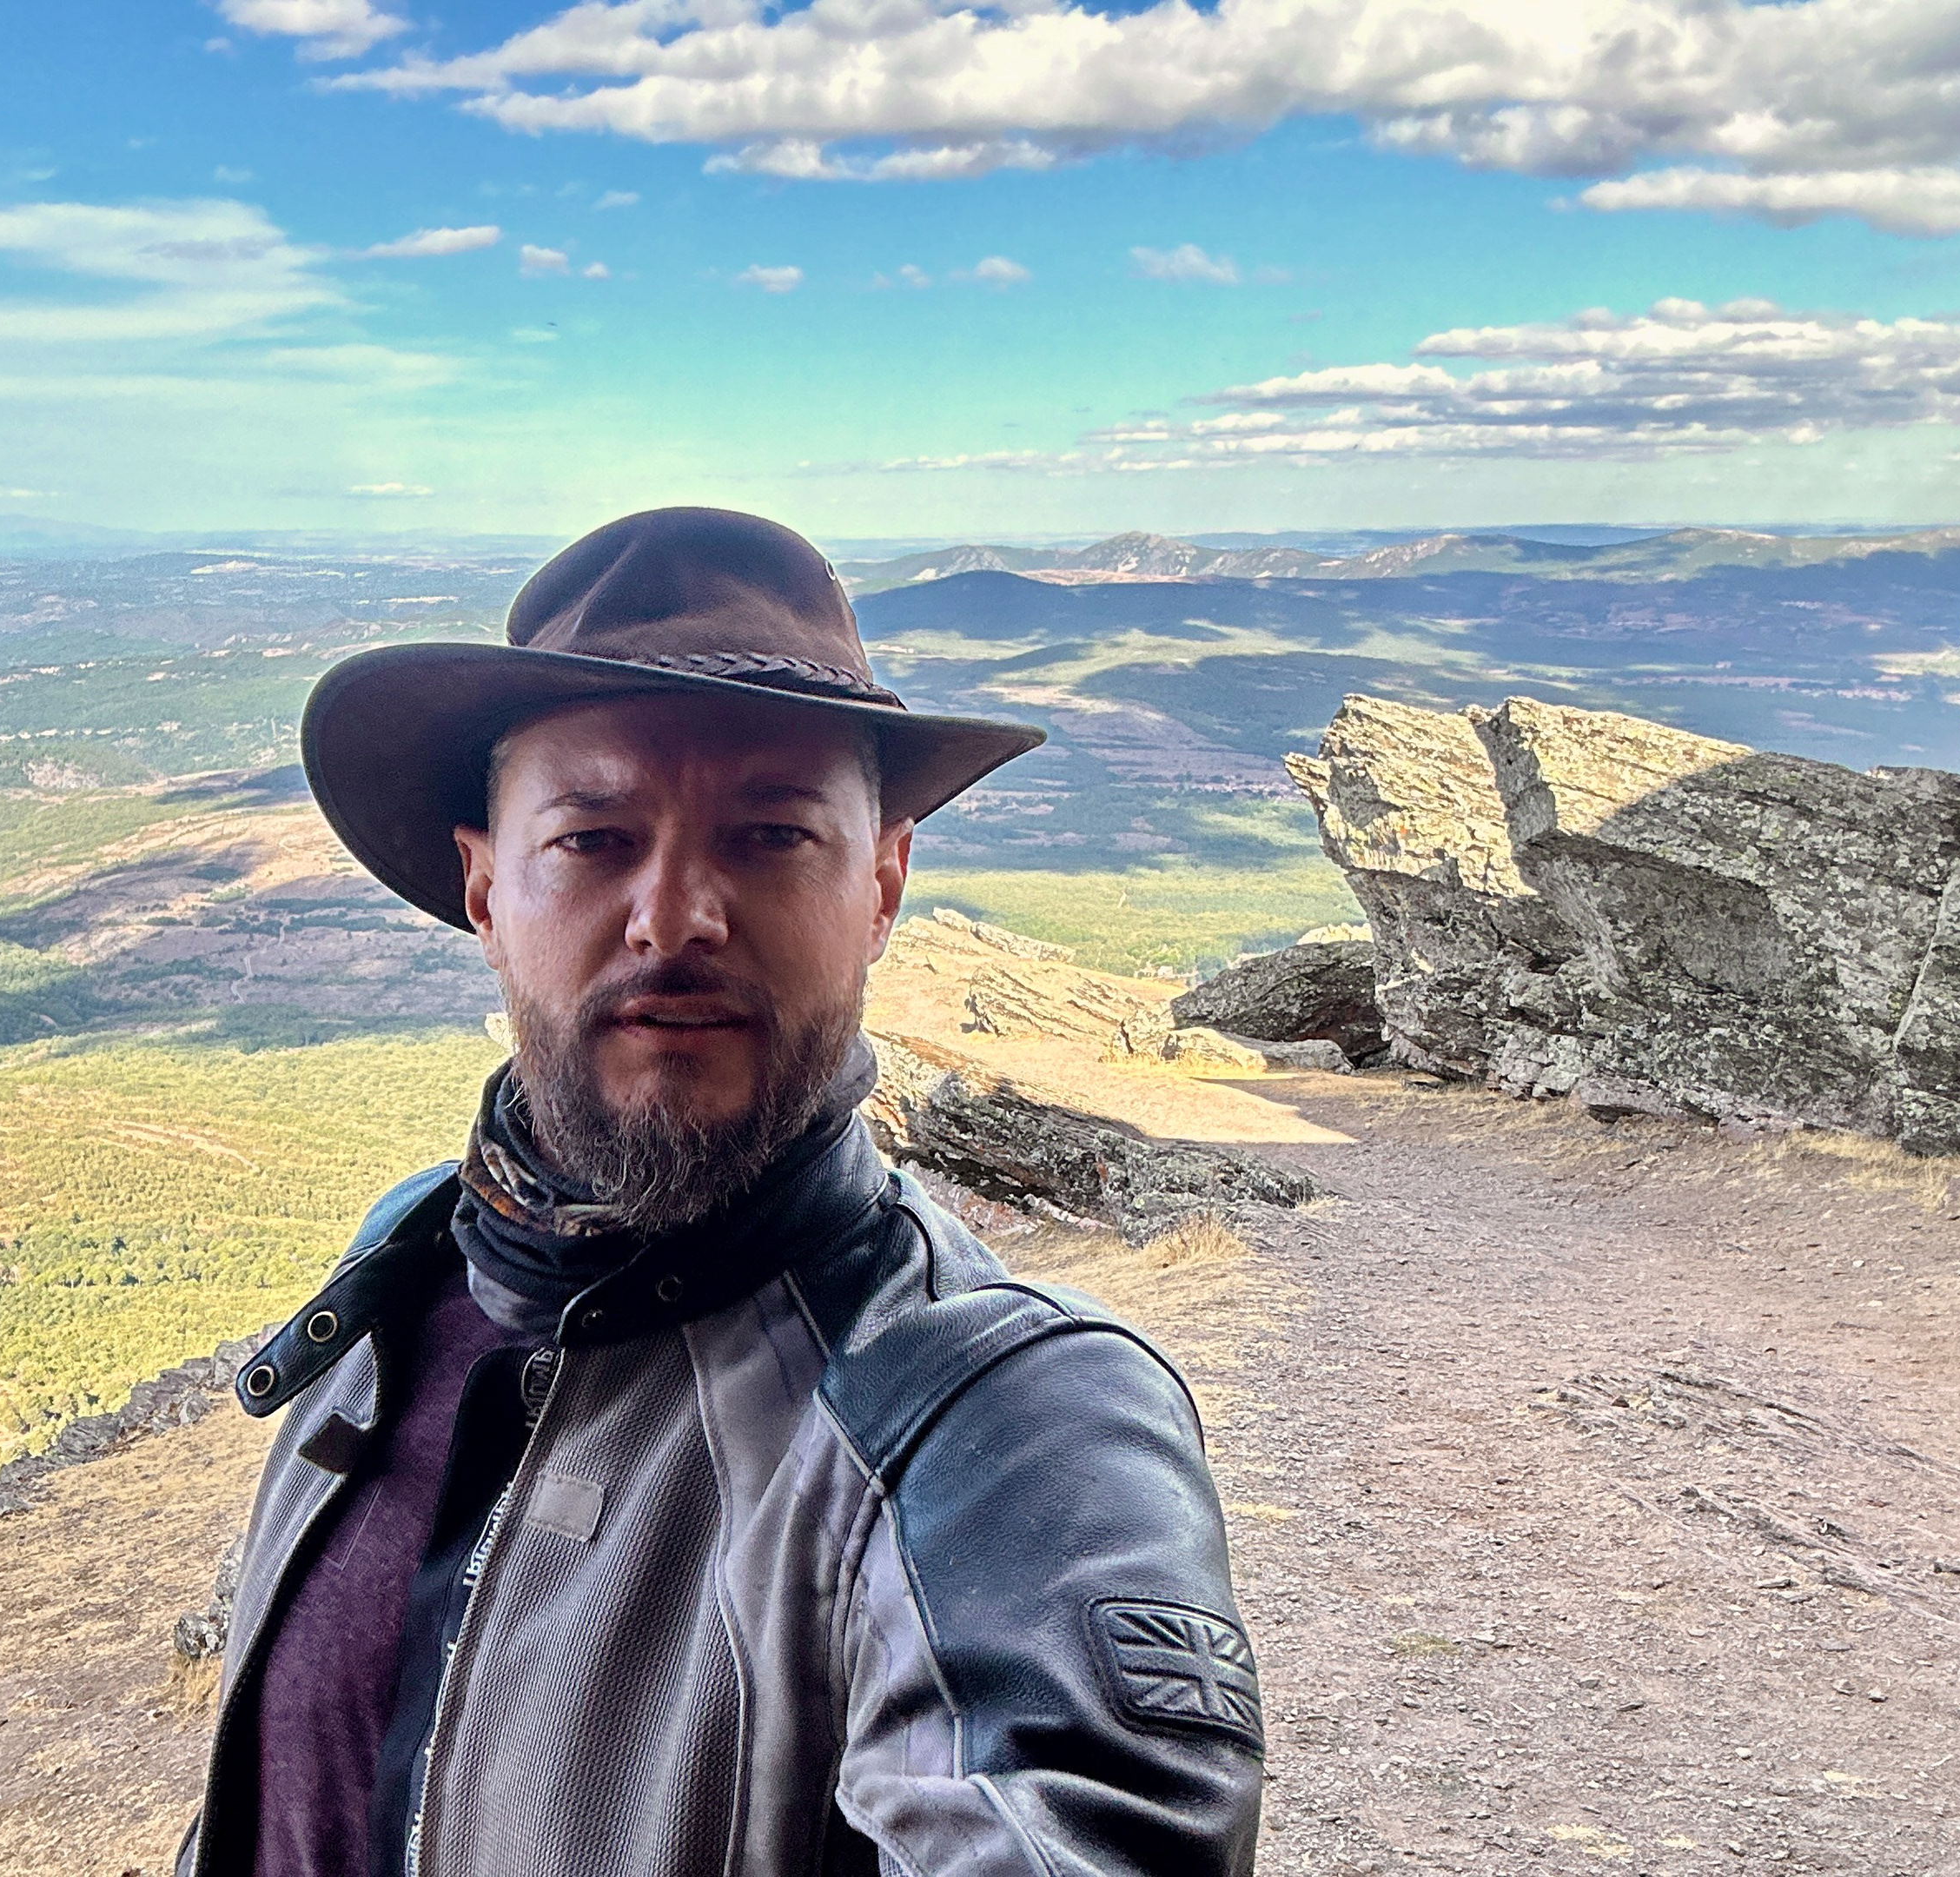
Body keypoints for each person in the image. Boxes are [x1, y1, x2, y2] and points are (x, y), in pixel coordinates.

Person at [175, 507, 1265, 1877]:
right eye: (593, 839)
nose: (676, 915)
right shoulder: (406, 1270)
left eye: (769, 836)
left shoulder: (994, 1421)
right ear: (483, 886)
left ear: (880, 885)